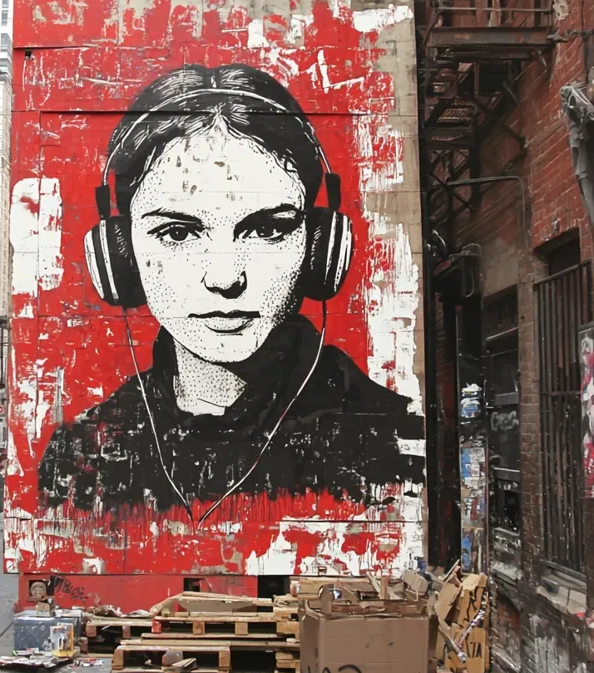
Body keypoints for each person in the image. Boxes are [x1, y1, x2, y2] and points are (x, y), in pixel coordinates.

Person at [38, 64, 425, 526]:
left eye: (267, 228)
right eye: (178, 232)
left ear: (318, 245)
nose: (225, 278)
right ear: (120, 252)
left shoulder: (391, 437)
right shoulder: (82, 457)